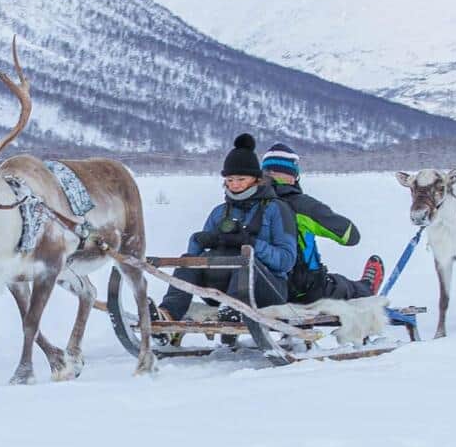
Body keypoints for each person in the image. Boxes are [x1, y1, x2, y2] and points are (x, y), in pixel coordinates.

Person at [156, 135, 298, 323]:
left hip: (268, 290)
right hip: (220, 288)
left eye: (241, 179)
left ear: (256, 179)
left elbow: (286, 261)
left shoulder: (276, 209)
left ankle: (233, 309)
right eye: (230, 179)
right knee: (186, 262)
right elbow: (195, 262)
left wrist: (251, 243)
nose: (235, 184)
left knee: (244, 263)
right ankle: (167, 314)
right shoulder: (219, 212)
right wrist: (199, 241)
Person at [261, 142, 384, 302]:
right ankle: (366, 289)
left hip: (261, 288)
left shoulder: (246, 202)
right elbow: (350, 236)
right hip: (303, 290)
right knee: (343, 287)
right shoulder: (303, 206)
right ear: (292, 175)